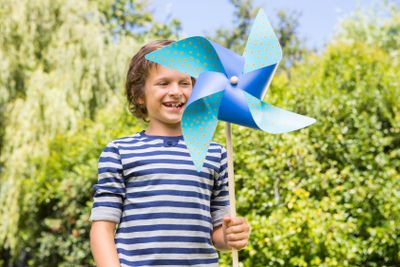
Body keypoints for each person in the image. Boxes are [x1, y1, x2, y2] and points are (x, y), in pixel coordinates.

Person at [89, 40, 251, 267]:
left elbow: (216, 232)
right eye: (163, 83)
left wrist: (230, 236)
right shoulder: (119, 152)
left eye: (184, 82)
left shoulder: (216, 154)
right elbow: (102, 228)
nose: (175, 92)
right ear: (139, 95)